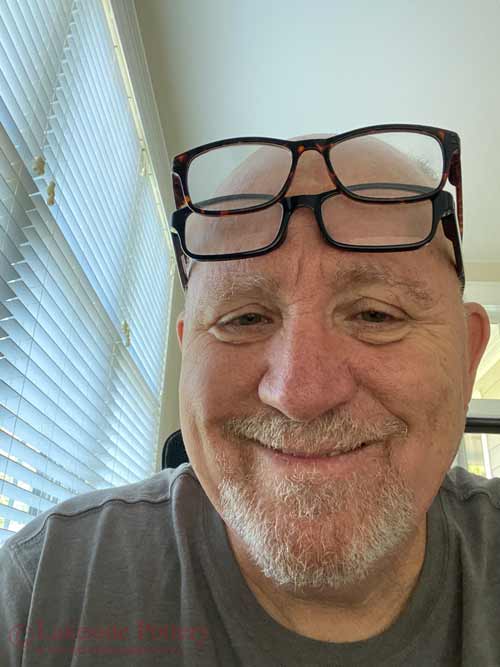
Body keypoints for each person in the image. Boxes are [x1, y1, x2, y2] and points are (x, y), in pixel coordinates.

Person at [0, 125, 494, 666]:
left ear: (467, 357)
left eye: (376, 314)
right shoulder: (41, 592)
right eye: (245, 319)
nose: (301, 393)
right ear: (188, 356)